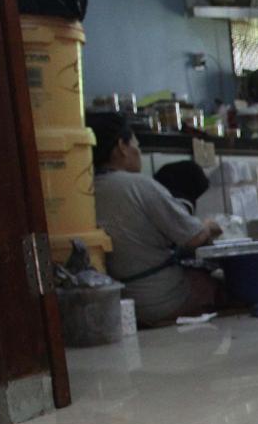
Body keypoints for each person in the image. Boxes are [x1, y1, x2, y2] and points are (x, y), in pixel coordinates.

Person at [87, 113, 224, 327]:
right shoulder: (138, 186)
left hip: (114, 304)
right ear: (122, 146)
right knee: (224, 284)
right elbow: (194, 237)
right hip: (159, 300)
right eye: (136, 144)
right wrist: (209, 226)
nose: (138, 151)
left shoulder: (84, 192)